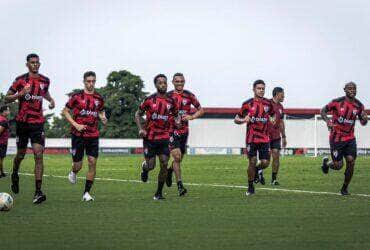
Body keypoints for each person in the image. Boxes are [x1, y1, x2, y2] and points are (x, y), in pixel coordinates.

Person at [5, 53, 55, 204]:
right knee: (20, 155)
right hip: (23, 122)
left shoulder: (45, 80)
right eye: (32, 62)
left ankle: (38, 192)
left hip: (37, 123)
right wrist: (20, 94)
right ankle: (15, 174)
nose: (35, 64)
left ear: (39, 64)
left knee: (38, 155)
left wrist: (51, 100)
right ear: (27, 64)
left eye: (37, 62)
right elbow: (7, 97)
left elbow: (44, 91)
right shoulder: (20, 80)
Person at [63, 71, 107, 201]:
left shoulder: (99, 98)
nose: (91, 83)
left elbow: (101, 111)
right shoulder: (76, 96)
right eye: (88, 81)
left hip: (93, 134)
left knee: (92, 162)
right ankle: (73, 172)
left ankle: (86, 193)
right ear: (84, 81)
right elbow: (65, 111)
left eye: (93, 81)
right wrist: (75, 124)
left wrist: (103, 117)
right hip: (78, 134)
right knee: (78, 165)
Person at [135, 74, 180, 200]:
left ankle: (158, 193)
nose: (163, 85)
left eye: (165, 83)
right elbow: (137, 114)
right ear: (156, 85)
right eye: (160, 83)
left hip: (164, 138)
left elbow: (177, 115)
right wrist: (140, 129)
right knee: (151, 166)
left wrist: (177, 121)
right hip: (150, 138)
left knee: (164, 164)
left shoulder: (171, 101)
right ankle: (144, 169)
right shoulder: (149, 100)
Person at [320, 82, 367, 195]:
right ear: (345, 90)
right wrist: (328, 121)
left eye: (354, 89)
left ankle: (344, 188)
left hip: (350, 138)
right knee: (338, 165)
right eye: (350, 89)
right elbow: (323, 111)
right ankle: (326, 164)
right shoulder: (337, 102)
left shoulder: (359, 105)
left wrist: (364, 119)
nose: (352, 91)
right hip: (336, 138)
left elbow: (363, 121)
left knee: (351, 161)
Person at [234, 79, 275, 196]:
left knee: (266, 162)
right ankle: (250, 186)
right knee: (252, 161)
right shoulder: (247, 104)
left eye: (263, 89)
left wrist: (272, 119)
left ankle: (257, 171)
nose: (261, 91)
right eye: (259, 88)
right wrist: (243, 120)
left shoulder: (268, 104)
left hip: (264, 138)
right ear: (253, 89)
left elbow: (272, 115)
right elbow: (236, 119)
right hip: (251, 138)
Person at [166, 73, 204, 196]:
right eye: (177, 81)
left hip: (184, 131)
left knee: (180, 158)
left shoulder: (189, 95)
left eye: (181, 81)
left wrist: (191, 116)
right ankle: (180, 186)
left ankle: (170, 170)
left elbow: (201, 110)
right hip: (171, 131)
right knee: (176, 157)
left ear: (184, 82)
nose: (179, 83)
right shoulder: (168, 96)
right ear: (173, 82)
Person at [268, 87, 286, 185]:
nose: (284, 96)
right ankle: (258, 171)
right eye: (282, 94)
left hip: (276, 136)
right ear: (276, 94)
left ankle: (273, 179)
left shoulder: (281, 107)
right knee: (265, 160)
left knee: (276, 156)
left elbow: (281, 123)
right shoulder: (267, 104)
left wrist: (284, 136)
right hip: (265, 135)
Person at [0, 106, 11, 178]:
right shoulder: (3, 120)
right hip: (2, 142)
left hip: (2, 142)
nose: (9, 112)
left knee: (1, 159)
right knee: (1, 158)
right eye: (8, 110)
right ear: (4, 111)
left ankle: (2, 172)